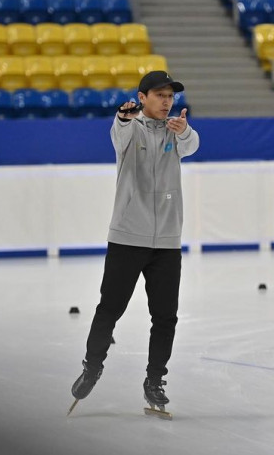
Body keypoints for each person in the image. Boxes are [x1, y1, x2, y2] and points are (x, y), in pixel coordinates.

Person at [68, 71, 200, 417]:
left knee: (166, 317)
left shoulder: (176, 132)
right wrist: (124, 117)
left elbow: (192, 145)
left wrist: (183, 130)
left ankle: (155, 380)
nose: (167, 101)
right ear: (142, 98)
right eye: (159, 95)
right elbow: (119, 131)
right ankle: (92, 365)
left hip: (167, 242)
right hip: (128, 237)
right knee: (109, 309)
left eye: (170, 96)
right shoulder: (129, 129)